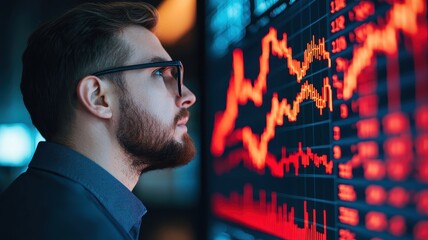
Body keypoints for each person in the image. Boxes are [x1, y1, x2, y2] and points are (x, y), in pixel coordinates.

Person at [0, 2, 196, 240]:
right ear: (98, 97)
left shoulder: (25, 202)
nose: (187, 96)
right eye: (159, 72)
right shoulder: (86, 231)